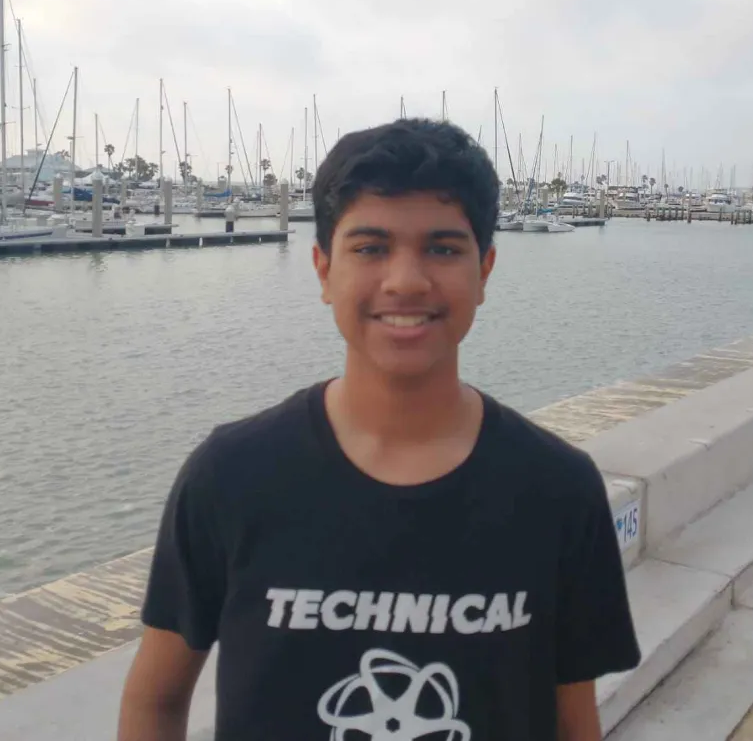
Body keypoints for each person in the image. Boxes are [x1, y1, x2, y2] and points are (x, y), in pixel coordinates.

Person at [118, 118, 640, 741]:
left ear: (485, 271)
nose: (406, 281)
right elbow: (155, 701)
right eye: (370, 248)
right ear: (323, 270)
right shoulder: (230, 477)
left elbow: (574, 723)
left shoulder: (558, 490)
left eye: (443, 249)